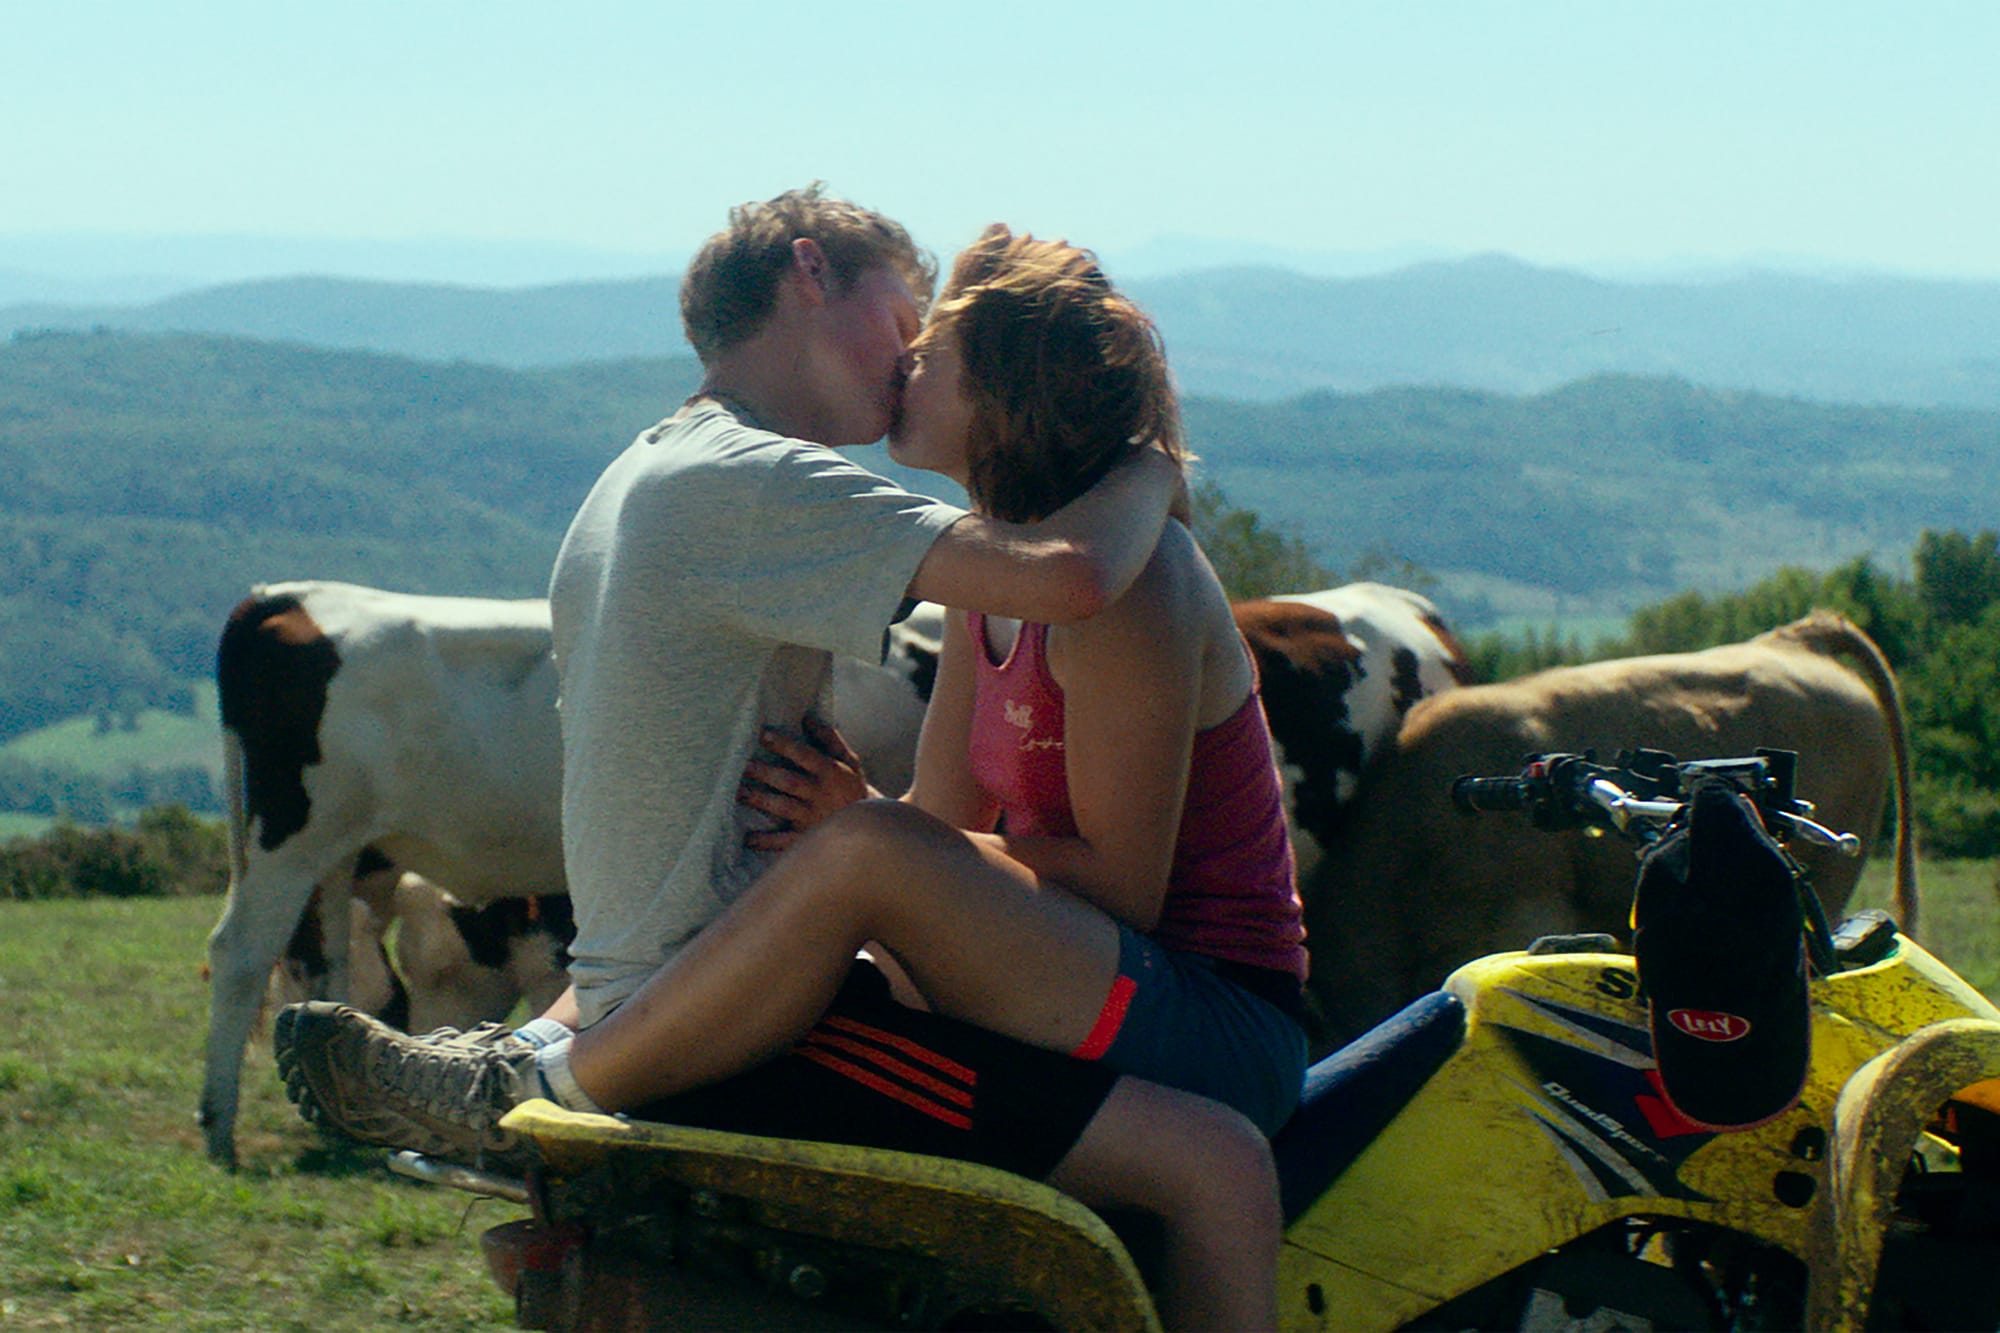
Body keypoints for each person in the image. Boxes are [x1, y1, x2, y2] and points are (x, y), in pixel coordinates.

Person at [278, 187, 1282, 1330]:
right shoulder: (888, 543)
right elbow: (947, 820)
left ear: (1007, 385)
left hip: (1187, 999)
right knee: (869, 846)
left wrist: (871, 838)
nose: (907, 360)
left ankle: (535, 1065)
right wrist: (880, 842)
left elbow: (1100, 872)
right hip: (1051, 969)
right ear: (810, 275)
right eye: (906, 321)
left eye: (933, 342)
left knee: (870, 847)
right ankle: (543, 1052)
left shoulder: (1125, 583)